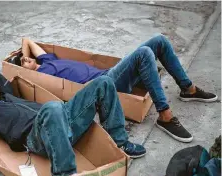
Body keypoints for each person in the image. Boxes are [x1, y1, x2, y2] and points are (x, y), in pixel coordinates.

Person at [19, 36, 218, 143]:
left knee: (160, 41)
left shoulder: (46, 60)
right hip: (104, 83)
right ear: (24, 70)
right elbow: (23, 75)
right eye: (22, 62)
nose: (25, 58)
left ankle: (188, 89)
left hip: (110, 72)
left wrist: (27, 56)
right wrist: (22, 68)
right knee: (144, 53)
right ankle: (165, 116)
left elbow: (27, 40)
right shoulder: (43, 75)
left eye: (25, 57)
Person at [0, 69, 146, 176]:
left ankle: (120, 142)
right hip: (37, 136)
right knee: (53, 107)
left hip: (62, 121)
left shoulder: (8, 96)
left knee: (104, 82)